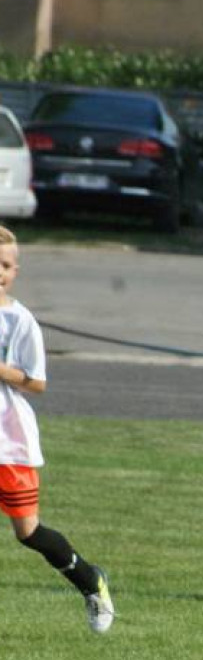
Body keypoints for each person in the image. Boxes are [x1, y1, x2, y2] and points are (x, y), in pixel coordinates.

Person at [0, 225, 115, 633]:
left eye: (6, 265)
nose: (0, 272)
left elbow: (37, 382)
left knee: (28, 532)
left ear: (16, 271)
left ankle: (90, 581)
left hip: (8, 443)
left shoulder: (20, 321)